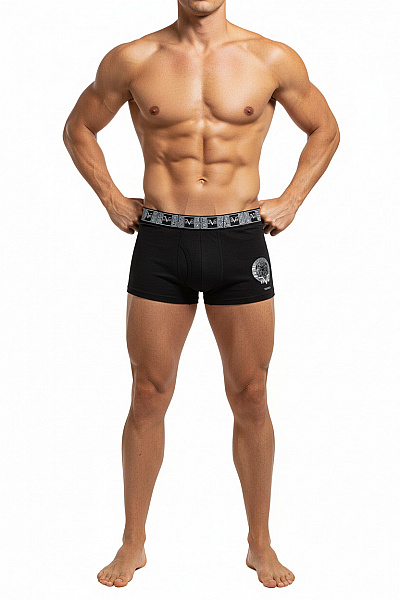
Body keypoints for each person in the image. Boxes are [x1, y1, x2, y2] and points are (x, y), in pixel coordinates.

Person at [63, 0, 340, 589]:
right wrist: (112, 198)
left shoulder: (270, 57)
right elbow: (78, 127)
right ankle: (133, 542)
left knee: (252, 393)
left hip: (240, 240)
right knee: (147, 392)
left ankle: (260, 543)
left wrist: (291, 199)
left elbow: (326, 128)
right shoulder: (135, 58)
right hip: (162, 241)